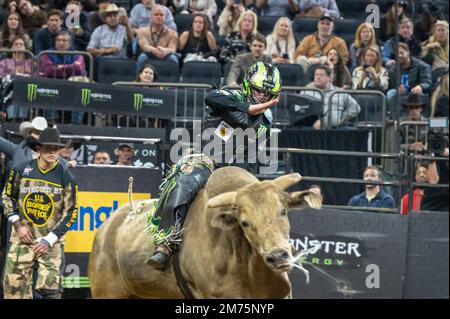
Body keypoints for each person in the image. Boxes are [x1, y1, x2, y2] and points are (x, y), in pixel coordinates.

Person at [147, 61, 281, 269]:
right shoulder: (230, 96)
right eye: (258, 90)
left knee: (262, 201)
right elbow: (211, 97)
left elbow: (249, 126)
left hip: (234, 170)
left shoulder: (266, 120)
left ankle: (267, 249)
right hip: (205, 159)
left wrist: (256, 111)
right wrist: (250, 108)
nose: (262, 96)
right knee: (184, 182)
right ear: (247, 85)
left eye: (267, 94)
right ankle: (165, 243)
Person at [1, 127, 78, 299]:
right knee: (13, 292)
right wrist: (17, 224)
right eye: (48, 147)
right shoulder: (22, 168)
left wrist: (50, 239)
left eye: (56, 148)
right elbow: (7, 196)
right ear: (38, 148)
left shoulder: (66, 176)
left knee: (51, 293)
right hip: (22, 239)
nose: (52, 151)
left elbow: (72, 212)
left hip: (50, 243)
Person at [300, 65, 360, 129]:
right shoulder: (306, 91)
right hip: (312, 128)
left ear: (329, 78)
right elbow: (299, 109)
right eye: (316, 75)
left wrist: (343, 118)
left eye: (321, 75)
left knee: (352, 130)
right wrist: (312, 121)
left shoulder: (339, 92)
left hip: (336, 128)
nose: (318, 77)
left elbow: (356, 107)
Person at [386, 43, 432, 110]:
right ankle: (393, 117)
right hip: (400, 93)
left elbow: (427, 82)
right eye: (397, 53)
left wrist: (420, 86)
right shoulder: (393, 69)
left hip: (416, 91)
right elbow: (391, 85)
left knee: (418, 94)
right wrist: (398, 89)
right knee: (391, 93)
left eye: (402, 52)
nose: (399, 55)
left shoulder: (422, 66)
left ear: (408, 52)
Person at [136, 4, 179, 72]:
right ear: (151, 17)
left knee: (173, 58)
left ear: (165, 17)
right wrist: (155, 50)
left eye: (161, 15)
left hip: (165, 55)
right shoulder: (142, 31)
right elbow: (144, 46)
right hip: (149, 55)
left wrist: (165, 50)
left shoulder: (173, 33)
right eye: (156, 14)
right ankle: (138, 80)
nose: (159, 17)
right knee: (142, 57)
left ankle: (174, 81)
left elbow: (173, 48)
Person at [0, 35, 32, 121]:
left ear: (25, 47)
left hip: (26, 90)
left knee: (23, 86)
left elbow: (35, 77)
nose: (18, 46)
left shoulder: (30, 62)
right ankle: (11, 118)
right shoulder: (4, 62)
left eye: (21, 44)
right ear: (11, 47)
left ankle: (21, 118)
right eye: (16, 44)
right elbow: (1, 76)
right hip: (9, 89)